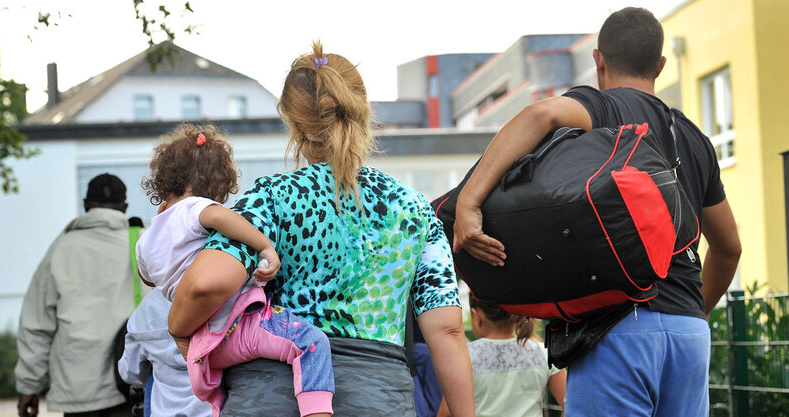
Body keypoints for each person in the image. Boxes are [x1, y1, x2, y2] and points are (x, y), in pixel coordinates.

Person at [453, 7, 742, 417]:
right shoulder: (694, 138)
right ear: (659, 65)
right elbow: (728, 248)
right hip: (688, 335)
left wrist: (468, 202)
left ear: (598, 60)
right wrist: (695, 313)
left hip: (619, 329)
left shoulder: (604, 109)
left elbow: (540, 114)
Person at [167, 41, 475, 417]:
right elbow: (447, 331)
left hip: (271, 397)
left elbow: (205, 284)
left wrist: (179, 327)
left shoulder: (272, 199)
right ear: (362, 112)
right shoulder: (414, 212)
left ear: (295, 126)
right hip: (378, 399)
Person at [134, 123, 335, 417]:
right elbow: (221, 216)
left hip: (204, 343)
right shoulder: (196, 209)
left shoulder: (146, 238)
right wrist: (266, 247)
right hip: (241, 325)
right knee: (312, 343)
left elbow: (147, 277)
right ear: (218, 186)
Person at [16, 173, 135, 417]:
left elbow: (36, 324)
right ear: (124, 206)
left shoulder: (61, 248)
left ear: (85, 205)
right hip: (130, 380)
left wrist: (30, 385)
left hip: (78, 386)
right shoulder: (142, 243)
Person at [437, 293, 566, 417]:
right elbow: (571, 402)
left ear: (477, 316)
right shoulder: (542, 352)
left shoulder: (464, 357)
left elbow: (446, 413)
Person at [118, 288, 213, 417]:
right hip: (212, 409)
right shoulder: (223, 296)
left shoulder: (146, 308)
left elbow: (131, 372)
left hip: (163, 411)